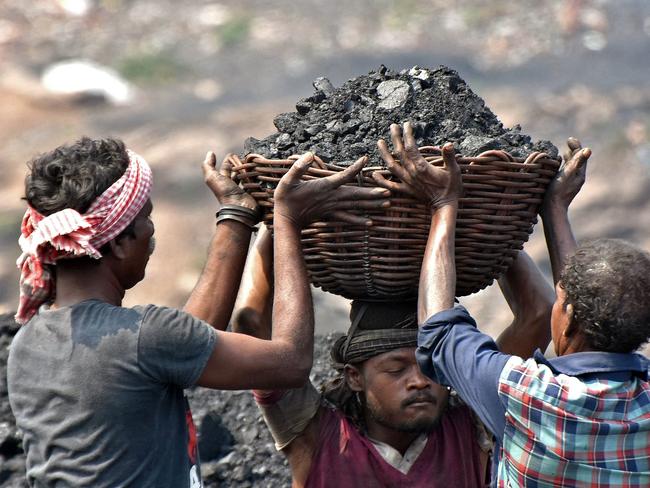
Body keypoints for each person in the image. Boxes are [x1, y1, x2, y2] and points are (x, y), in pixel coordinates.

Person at [6, 137, 390, 487]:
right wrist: (287, 221)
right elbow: (290, 362)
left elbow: (188, 340)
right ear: (120, 244)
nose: (152, 235)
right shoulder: (145, 337)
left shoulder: (28, 346)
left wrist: (236, 216)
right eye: (146, 220)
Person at [388, 120, 650, 486]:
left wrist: (443, 203)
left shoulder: (527, 396)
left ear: (570, 317)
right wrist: (554, 208)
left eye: (562, 301)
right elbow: (578, 302)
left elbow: (439, 331)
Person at [232, 218, 554, 485]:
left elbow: (540, 313)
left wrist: (488, 227)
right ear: (355, 377)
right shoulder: (317, 438)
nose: (420, 381)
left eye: (432, 369)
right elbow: (249, 323)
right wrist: (275, 221)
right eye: (397, 368)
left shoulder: (472, 425)